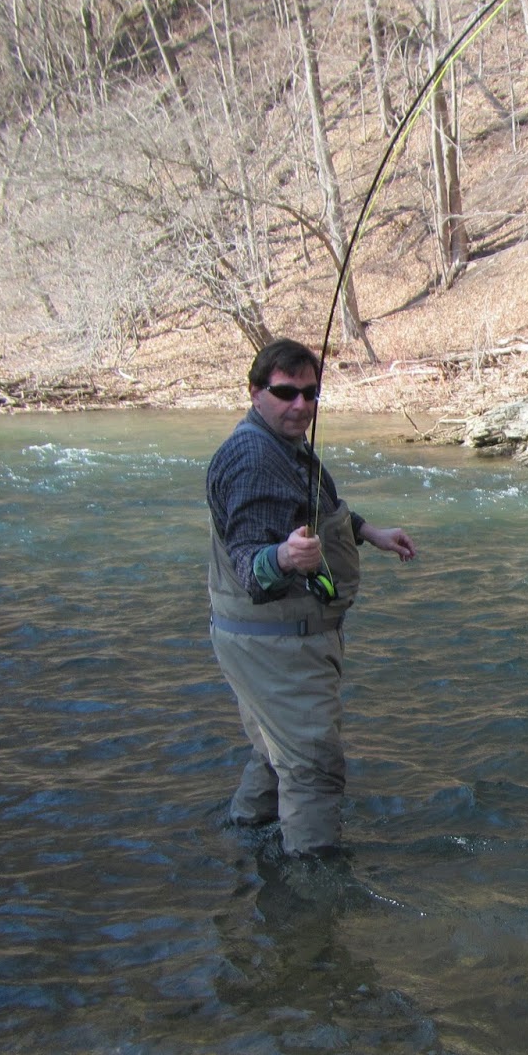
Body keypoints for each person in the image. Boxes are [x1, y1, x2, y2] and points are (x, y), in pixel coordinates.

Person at [206, 338, 416, 858]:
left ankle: (244, 840)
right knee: (313, 767)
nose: (300, 405)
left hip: (268, 641)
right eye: (286, 392)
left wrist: (369, 532)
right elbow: (249, 565)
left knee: (275, 752)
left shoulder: (283, 444)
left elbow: (315, 506)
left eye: (310, 393)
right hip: (276, 646)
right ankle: (311, 881)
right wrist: (282, 558)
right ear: (255, 392)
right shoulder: (253, 459)